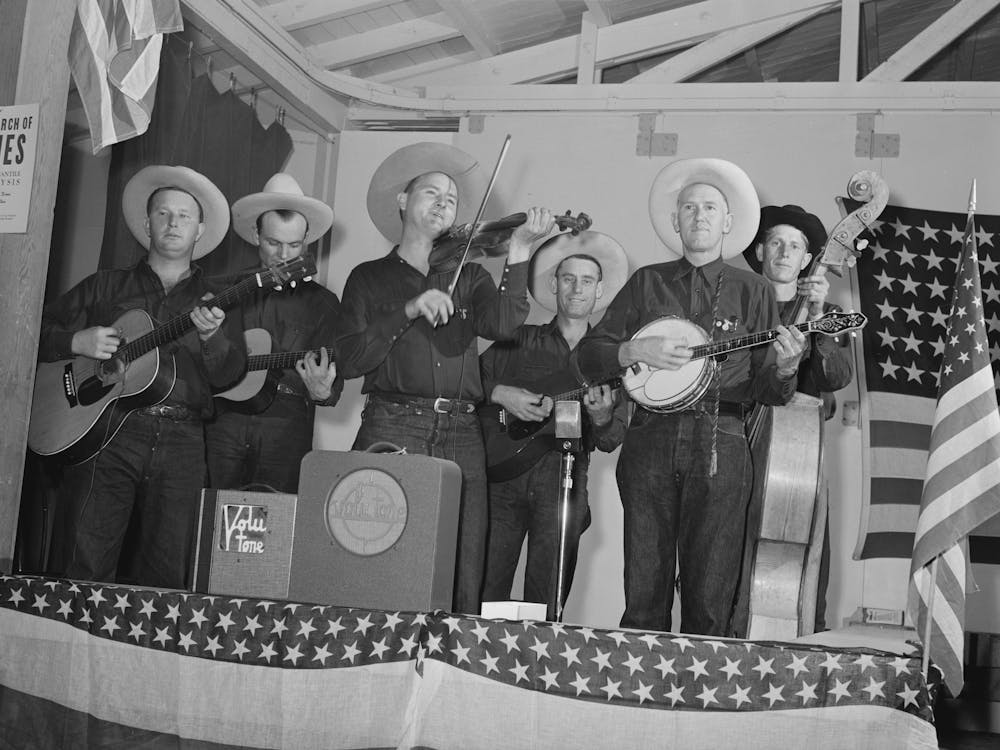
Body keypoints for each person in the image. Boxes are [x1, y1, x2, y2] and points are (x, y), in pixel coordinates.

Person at [575, 158, 807, 635]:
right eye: (688, 208)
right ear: (674, 221)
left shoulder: (754, 289)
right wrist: (633, 348)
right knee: (643, 590)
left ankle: (706, 701)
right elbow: (588, 354)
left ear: (727, 222)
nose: (699, 216)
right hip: (649, 440)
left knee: (710, 595)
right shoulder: (647, 282)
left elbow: (768, 387)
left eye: (709, 208)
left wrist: (785, 368)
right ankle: (639, 697)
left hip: (722, 438)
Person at [335, 142, 557, 615]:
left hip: (461, 431)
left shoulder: (470, 275)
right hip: (392, 424)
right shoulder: (368, 278)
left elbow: (502, 324)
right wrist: (409, 310)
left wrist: (518, 252)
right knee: (378, 553)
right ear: (402, 201)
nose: (443, 204)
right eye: (431, 193)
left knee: (463, 558)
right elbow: (350, 359)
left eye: (451, 200)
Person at [40, 165, 247, 588]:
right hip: (106, 432)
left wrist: (212, 338)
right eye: (163, 214)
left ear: (200, 230)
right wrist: (76, 342)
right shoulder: (105, 287)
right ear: (146, 224)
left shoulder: (218, 301)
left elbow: (228, 375)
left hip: (183, 442)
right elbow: (29, 335)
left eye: (184, 216)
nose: (173, 224)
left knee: (169, 576)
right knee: (85, 564)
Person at [480, 231, 629, 620]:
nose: (576, 288)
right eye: (568, 278)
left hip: (564, 481)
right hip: (502, 483)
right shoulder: (520, 339)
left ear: (599, 291)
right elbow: (469, 381)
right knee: (484, 590)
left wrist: (602, 417)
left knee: (546, 603)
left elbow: (612, 439)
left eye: (587, 281)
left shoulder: (613, 360)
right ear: (554, 285)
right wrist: (501, 394)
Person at [744, 204, 854, 631]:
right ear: (759, 252)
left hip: (797, 457)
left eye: (795, 246)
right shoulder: (740, 304)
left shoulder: (825, 311)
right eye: (775, 243)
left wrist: (819, 316)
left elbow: (838, 377)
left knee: (805, 562)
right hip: (739, 442)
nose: (784, 253)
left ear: (809, 260)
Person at [206, 173, 343, 494]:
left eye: (294, 245)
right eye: (273, 243)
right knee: (213, 516)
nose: (283, 255)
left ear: (307, 240)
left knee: (276, 522)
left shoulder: (324, 303)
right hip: (224, 420)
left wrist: (323, 390)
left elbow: (334, 382)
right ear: (256, 234)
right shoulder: (224, 291)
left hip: (287, 423)